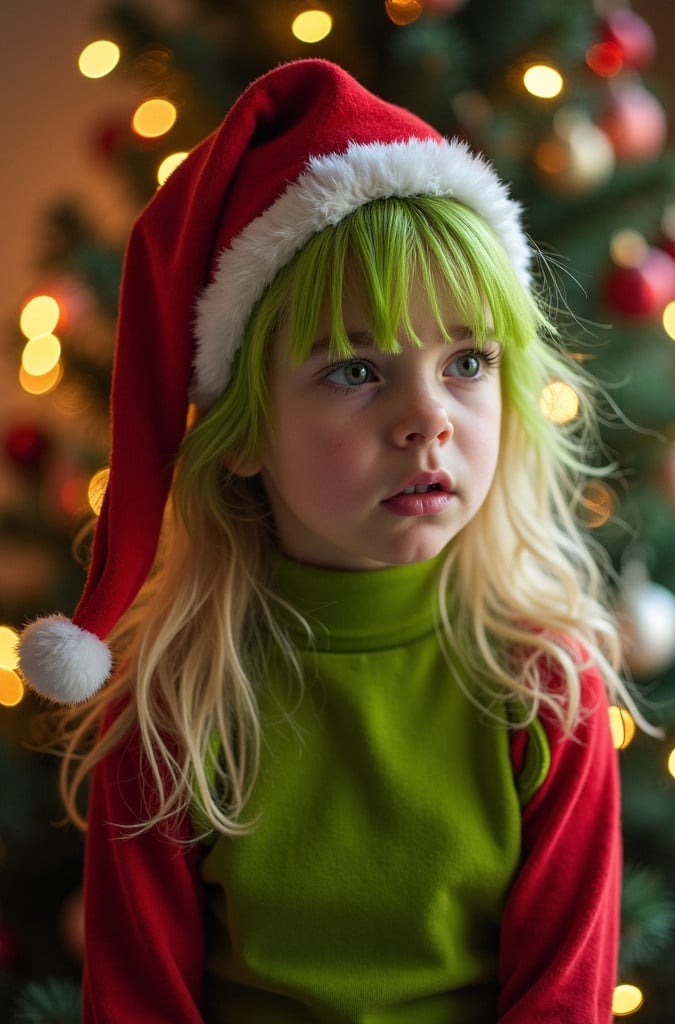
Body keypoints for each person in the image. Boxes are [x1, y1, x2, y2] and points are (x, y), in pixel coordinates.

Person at [19, 59, 641, 1023]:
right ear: (243, 440)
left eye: (467, 361)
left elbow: (564, 1002)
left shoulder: (547, 693)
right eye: (356, 369)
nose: (427, 419)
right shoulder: (170, 709)